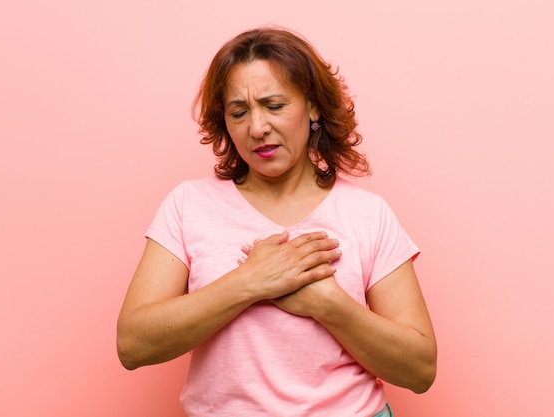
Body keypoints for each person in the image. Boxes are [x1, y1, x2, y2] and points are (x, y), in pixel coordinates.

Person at [117, 26, 437, 417]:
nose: (256, 128)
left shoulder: (367, 214)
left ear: (313, 106)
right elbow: (132, 345)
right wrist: (249, 282)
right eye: (238, 112)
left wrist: (328, 304)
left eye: (274, 105)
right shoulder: (188, 205)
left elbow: (421, 370)